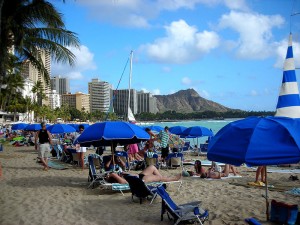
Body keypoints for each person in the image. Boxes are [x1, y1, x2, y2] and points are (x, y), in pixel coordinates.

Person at [105, 165, 182, 184]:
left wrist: (124, 173)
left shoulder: (120, 176)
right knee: (158, 177)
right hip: (141, 180)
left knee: (152, 167)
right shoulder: (121, 180)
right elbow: (123, 182)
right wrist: (112, 175)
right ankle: (173, 179)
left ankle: (163, 178)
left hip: (140, 175)